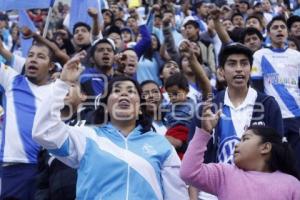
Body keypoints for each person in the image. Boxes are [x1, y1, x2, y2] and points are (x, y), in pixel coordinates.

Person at [32, 54, 189, 199]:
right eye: (117, 91)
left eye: (131, 91)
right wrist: (64, 84)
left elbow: (177, 194)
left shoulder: (160, 144)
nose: (124, 94)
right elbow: (44, 132)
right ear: (106, 106)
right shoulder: (86, 136)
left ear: (140, 108)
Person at [180, 100, 300, 199]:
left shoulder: (291, 184)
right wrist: (204, 133)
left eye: (245, 139)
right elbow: (188, 173)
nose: (237, 145)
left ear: (265, 147)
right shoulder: (224, 174)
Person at [0, 42, 55, 199]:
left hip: (47, 168)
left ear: (51, 66)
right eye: (30, 55)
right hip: (13, 166)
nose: (33, 59)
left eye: (40, 56)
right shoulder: (12, 80)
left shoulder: (59, 89)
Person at [251, 16, 300, 170]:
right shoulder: (259, 55)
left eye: (282, 27)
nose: (279, 30)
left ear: (287, 32)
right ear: (268, 33)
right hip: (274, 115)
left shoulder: (297, 56)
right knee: (275, 161)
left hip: (296, 115)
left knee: (296, 160)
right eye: (275, 27)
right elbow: (257, 88)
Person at [163, 73, 195, 160]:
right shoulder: (169, 107)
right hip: (171, 131)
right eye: (170, 95)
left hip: (184, 131)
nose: (172, 98)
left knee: (182, 156)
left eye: (175, 94)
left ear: (186, 91)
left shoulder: (192, 105)